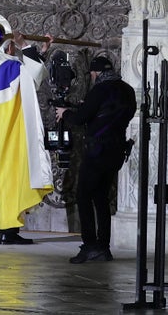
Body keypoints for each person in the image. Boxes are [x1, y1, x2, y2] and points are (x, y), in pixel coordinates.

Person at [55, 55, 136, 263]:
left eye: (92, 74)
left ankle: (90, 245)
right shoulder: (128, 90)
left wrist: (64, 113)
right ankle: (103, 247)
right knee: (101, 198)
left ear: (95, 73)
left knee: (83, 195)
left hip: (97, 151)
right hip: (117, 151)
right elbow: (113, 115)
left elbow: (80, 119)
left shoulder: (99, 89)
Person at [0, 15, 53, 246]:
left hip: (2, 132)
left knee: (6, 175)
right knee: (12, 176)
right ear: (9, 44)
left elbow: (29, 74)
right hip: (12, 132)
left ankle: (8, 229)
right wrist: (26, 46)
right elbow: (33, 76)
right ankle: (7, 230)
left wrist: (39, 51)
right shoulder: (9, 66)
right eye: (12, 45)